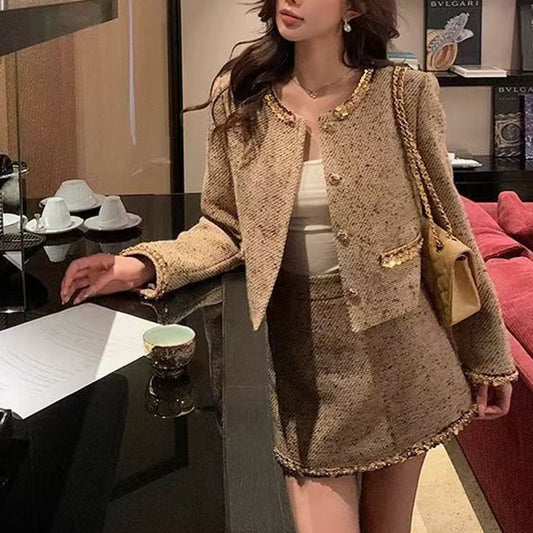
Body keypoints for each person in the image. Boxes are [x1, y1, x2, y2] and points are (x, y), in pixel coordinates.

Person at [60, 1, 519, 531]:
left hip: (404, 359)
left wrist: (489, 355)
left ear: (353, 6)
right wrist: (142, 264)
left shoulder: (404, 94)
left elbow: (450, 225)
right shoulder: (242, 98)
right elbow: (226, 226)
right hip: (305, 366)